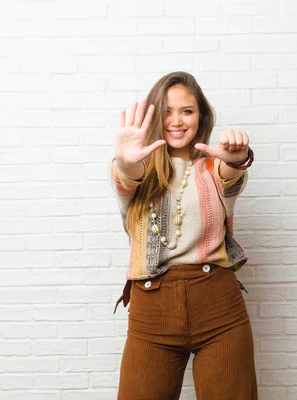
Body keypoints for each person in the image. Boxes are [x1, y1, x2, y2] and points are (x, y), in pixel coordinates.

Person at [110, 71, 257, 400]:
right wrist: (124, 160)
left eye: (187, 111)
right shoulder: (139, 168)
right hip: (152, 312)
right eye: (166, 111)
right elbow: (126, 176)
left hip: (219, 307)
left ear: (201, 116)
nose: (176, 121)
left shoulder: (212, 166)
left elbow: (231, 174)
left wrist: (238, 159)